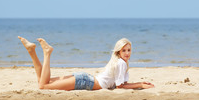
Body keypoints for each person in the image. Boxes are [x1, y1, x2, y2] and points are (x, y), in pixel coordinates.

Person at [18, 36, 155, 91]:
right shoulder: (121, 63)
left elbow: (120, 84)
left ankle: (31, 51)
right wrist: (141, 84)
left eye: (129, 50)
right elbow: (120, 86)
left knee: (43, 81)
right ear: (119, 52)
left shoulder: (119, 63)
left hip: (85, 79)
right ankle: (47, 53)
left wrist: (139, 84)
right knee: (43, 86)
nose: (127, 53)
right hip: (85, 82)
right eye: (123, 50)